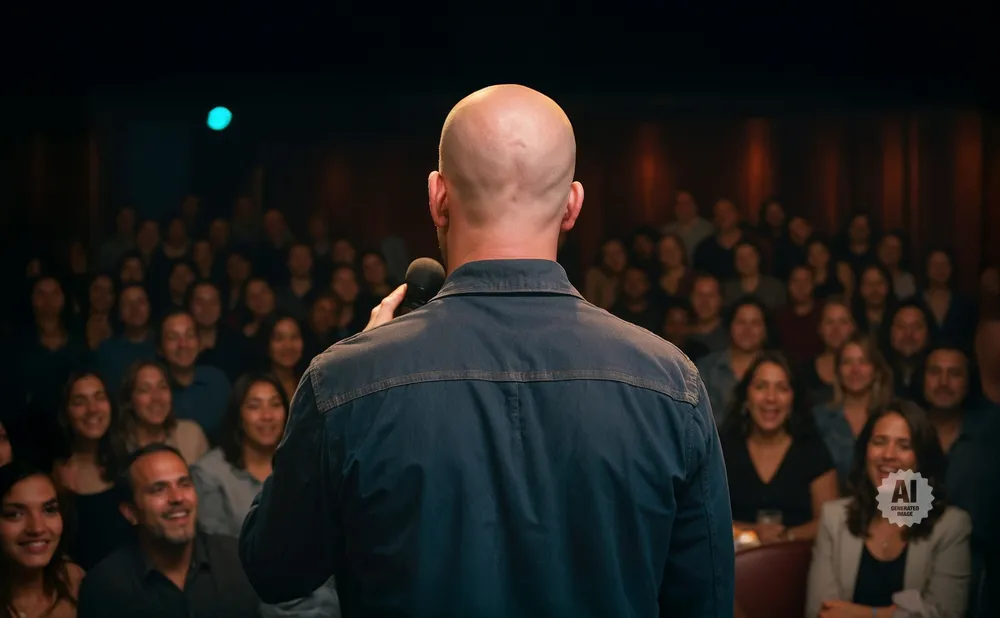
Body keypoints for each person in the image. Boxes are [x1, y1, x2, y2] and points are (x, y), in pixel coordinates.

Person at [239, 84, 735, 617]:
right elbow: (704, 600)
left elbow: (276, 567)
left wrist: (359, 366)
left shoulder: (347, 381)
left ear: (437, 196)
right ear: (572, 205)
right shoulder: (669, 383)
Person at [805, 401, 972, 618]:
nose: (888, 455)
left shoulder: (951, 526)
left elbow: (945, 614)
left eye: (904, 446)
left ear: (921, 459)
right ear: (865, 451)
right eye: (879, 442)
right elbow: (822, 613)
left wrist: (871, 614)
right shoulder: (834, 518)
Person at [77, 443, 260, 618]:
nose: (177, 497)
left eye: (184, 484)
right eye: (158, 490)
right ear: (131, 513)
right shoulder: (105, 587)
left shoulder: (237, 559)